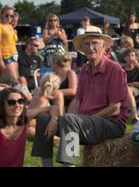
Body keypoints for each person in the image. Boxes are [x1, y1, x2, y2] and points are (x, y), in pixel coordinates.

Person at [31, 31, 128, 166]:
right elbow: (77, 100)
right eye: (86, 44)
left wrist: (84, 120)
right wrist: (59, 119)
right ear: (82, 49)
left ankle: (69, 164)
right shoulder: (84, 69)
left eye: (94, 43)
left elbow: (115, 108)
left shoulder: (115, 69)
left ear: (104, 46)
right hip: (84, 123)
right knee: (43, 119)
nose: (90, 47)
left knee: (70, 120)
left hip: (110, 124)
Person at [27, 72, 65, 139]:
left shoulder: (38, 91)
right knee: (29, 131)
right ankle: (56, 137)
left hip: (32, 123)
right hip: (34, 125)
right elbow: (30, 119)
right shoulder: (41, 98)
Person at [0, 88, 28, 167]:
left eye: (20, 101)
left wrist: (54, 119)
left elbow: (52, 108)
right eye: (11, 102)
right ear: (2, 105)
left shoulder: (25, 119)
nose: (17, 105)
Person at [123, 48, 139, 122]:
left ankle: (134, 115)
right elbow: (118, 83)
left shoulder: (138, 69)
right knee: (128, 89)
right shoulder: (121, 70)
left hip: (138, 90)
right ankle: (134, 115)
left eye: (132, 55)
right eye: (128, 56)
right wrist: (130, 84)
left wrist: (138, 66)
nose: (130, 58)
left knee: (128, 90)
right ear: (124, 58)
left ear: (136, 57)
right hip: (123, 89)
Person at [0, 5, 19, 79]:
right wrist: (0, 61)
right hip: (6, 56)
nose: (9, 18)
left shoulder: (10, 27)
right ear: (2, 15)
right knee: (13, 81)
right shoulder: (1, 26)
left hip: (14, 55)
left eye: (11, 16)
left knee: (15, 80)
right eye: (6, 16)